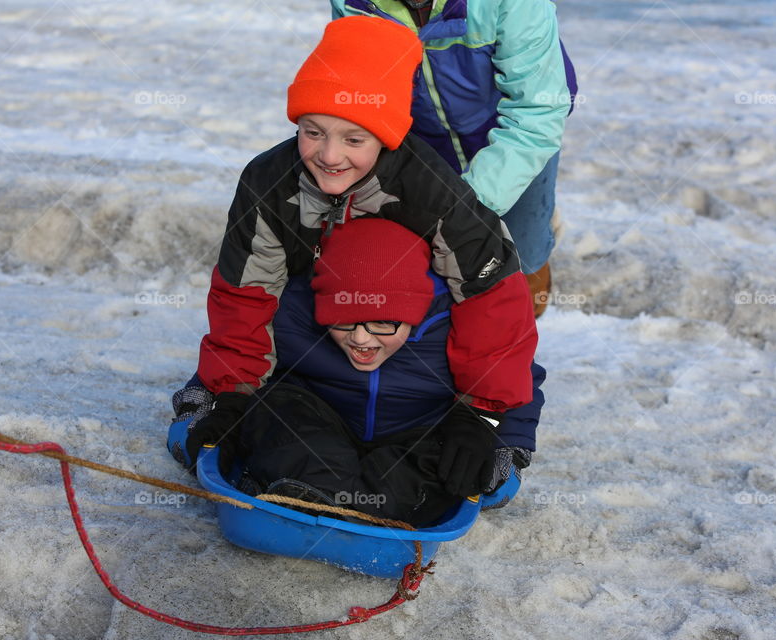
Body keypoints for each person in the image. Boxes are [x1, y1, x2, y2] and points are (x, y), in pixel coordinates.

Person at [170, 17, 539, 491]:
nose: (328, 155)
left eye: (353, 139)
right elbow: (244, 293)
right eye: (312, 131)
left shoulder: (431, 187)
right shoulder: (268, 182)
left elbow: (493, 301)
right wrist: (234, 393)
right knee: (264, 411)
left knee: (455, 441)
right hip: (317, 324)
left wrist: (481, 415)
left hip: (406, 334)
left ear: (386, 136)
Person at [171, 218, 545, 526]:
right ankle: (311, 496)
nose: (362, 339)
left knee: (446, 457)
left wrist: (506, 448)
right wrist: (205, 407)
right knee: (276, 409)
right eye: (344, 322)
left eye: (384, 323)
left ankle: (374, 509)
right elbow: (240, 355)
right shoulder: (294, 312)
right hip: (324, 422)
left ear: (414, 314)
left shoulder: (453, 327)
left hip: (415, 432)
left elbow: (512, 377)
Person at [329, 0, 578, 316]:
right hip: (420, 133)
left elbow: (537, 110)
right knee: (431, 263)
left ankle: (530, 280)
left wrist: (464, 211)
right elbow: (358, 100)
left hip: (515, 126)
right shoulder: (356, 4)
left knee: (521, 257)